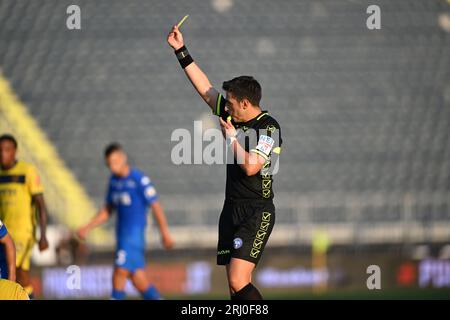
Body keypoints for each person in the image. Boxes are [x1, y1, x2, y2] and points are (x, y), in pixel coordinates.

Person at [167, 25, 283, 300]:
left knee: (238, 278)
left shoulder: (268, 127)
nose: (225, 108)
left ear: (244, 103)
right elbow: (205, 89)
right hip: (231, 208)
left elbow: (252, 167)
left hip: (257, 211)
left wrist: (231, 139)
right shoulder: (234, 116)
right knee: (234, 286)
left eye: (230, 103)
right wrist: (180, 51)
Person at [77, 143, 174, 300]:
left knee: (120, 272)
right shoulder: (114, 182)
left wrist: (165, 233)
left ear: (123, 158)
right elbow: (108, 209)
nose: (112, 166)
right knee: (138, 280)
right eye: (109, 164)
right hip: (121, 236)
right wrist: (88, 227)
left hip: (134, 236)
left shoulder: (138, 179)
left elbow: (156, 206)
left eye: (114, 162)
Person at [0, 134, 49, 298]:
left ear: (15, 151)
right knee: (23, 279)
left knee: (13, 276)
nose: (3, 154)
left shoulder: (27, 171)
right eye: (0, 150)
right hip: (4, 230)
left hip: (22, 233)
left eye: (7, 150)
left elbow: (40, 203)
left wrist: (43, 235)